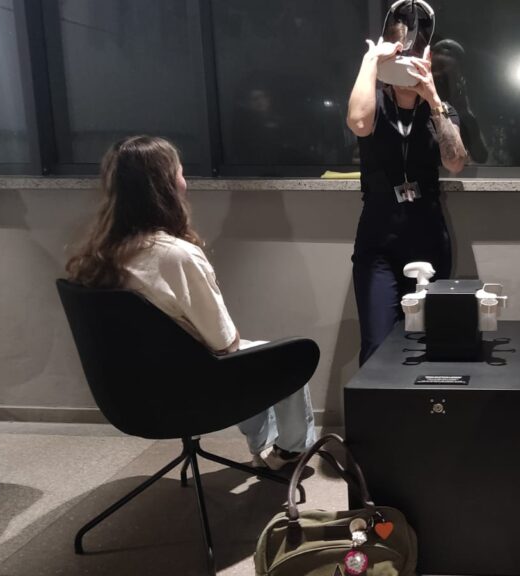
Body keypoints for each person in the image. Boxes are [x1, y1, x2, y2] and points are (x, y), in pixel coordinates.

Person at [65, 136, 316, 470]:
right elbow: (225, 344)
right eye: (180, 173)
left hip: (128, 397)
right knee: (288, 355)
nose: (185, 181)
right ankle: (289, 452)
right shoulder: (176, 256)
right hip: (189, 392)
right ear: (166, 187)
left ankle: (264, 445)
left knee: (256, 355)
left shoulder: (98, 257)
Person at [346, 2, 468, 365]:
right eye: (400, 54)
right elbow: (359, 123)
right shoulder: (374, 102)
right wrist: (371, 60)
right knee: (377, 343)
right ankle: (376, 405)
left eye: (414, 54)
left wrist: (433, 98)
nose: (406, 62)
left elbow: (456, 162)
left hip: (428, 234)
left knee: (429, 342)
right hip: (378, 239)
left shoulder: (439, 109)